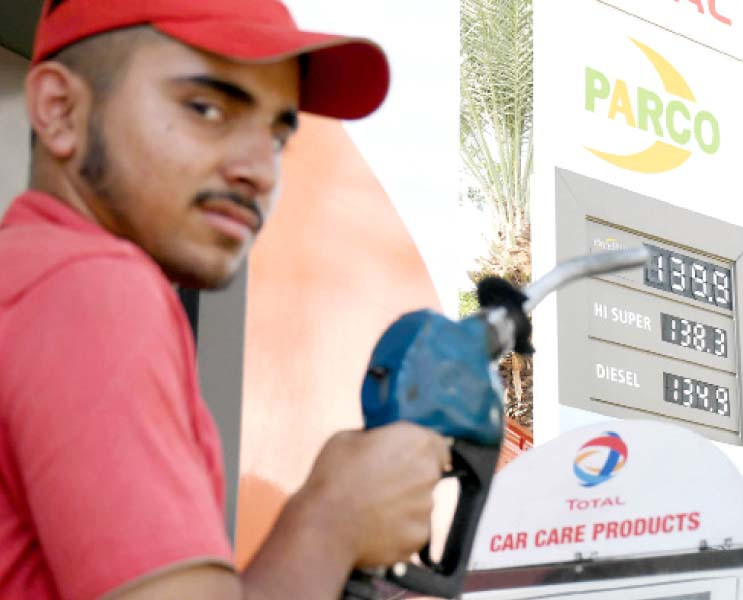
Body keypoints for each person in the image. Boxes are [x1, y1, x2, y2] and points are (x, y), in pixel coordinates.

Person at [0, 1, 452, 598]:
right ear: (60, 110)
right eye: (207, 108)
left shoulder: (26, 280)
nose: (260, 170)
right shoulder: (92, 287)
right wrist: (330, 521)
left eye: (277, 133)